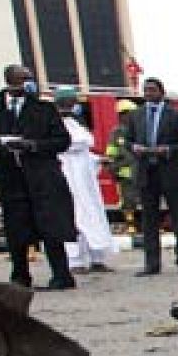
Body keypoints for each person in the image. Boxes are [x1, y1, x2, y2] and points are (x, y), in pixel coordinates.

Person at [0, 63, 77, 289]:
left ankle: (61, 275)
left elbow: (62, 141)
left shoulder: (44, 109)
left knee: (50, 225)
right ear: (11, 81)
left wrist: (32, 145)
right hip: (10, 177)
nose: (29, 83)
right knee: (16, 227)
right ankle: (20, 276)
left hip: (42, 176)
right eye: (24, 79)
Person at [126, 77, 178, 276]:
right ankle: (152, 264)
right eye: (145, 90)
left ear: (161, 92)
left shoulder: (177, 116)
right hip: (147, 173)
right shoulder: (136, 116)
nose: (148, 93)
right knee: (149, 221)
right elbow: (128, 141)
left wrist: (167, 150)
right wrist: (134, 148)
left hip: (172, 172)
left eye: (152, 90)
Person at [53, 88, 117, 273]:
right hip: (68, 176)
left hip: (85, 179)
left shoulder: (75, 123)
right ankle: (75, 261)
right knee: (74, 216)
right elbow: (68, 146)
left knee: (93, 214)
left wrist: (98, 160)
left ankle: (97, 257)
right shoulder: (54, 124)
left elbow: (84, 151)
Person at [103, 99, 138, 234]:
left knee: (146, 200)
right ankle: (130, 225)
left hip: (140, 171)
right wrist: (112, 166)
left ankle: (151, 226)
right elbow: (111, 152)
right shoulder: (117, 132)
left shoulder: (139, 130)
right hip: (125, 173)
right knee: (128, 201)